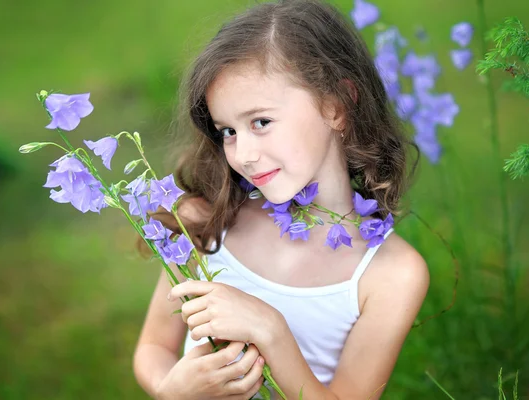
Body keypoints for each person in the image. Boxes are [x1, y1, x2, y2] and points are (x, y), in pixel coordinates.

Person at [133, 0, 430, 399]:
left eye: (261, 122)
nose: (243, 154)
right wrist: (172, 391)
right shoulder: (204, 223)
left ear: (336, 106)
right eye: (228, 131)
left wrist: (271, 330)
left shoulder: (392, 275)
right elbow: (154, 348)